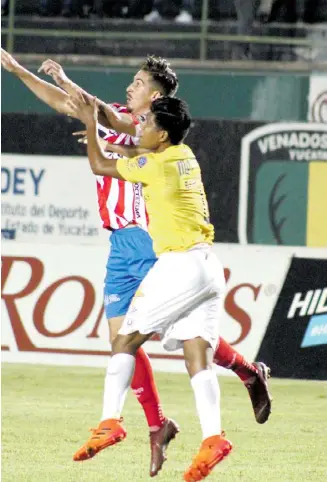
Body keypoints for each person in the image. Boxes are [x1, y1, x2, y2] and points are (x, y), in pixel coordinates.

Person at [1, 48, 272, 466]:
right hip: (119, 244)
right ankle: (159, 423)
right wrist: (20, 72)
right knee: (124, 338)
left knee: (173, 337)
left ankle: (241, 374)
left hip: (153, 241)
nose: (131, 88)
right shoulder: (130, 122)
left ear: (156, 97)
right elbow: (72, 105)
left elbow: (97, 116)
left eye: (139, 83)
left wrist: (76, 95)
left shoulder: (144, 127)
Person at [68, 93, 234, 481]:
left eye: (146, 124)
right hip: (209, 266)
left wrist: (93, 125)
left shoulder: (153, 165)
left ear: (161, 135)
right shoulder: (184, 155)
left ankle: (110, 421)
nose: (139, 127)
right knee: (197, 355)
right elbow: (131, 148)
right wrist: (115, 138)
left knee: (125, 341)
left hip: (179, 264)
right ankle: (213, 438)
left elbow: (98, 165)